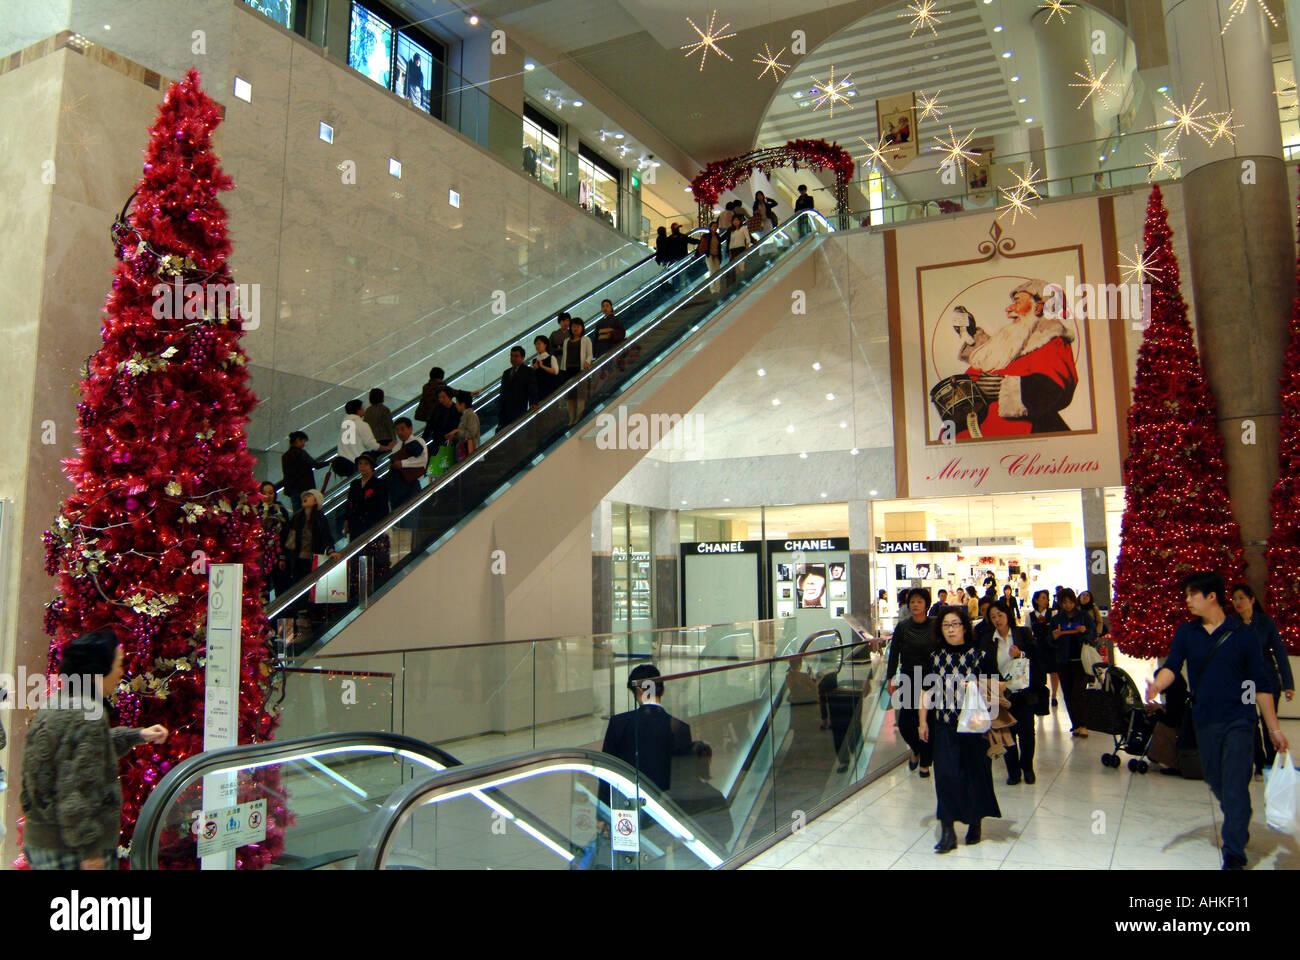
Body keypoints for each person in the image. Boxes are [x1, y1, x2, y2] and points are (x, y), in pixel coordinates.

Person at [1145, 572, 1288, 870]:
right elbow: (1173, 665)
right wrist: (1158, 684)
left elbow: (1260, 684)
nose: (1187, 601)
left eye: (1191, 595)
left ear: (1211, 596)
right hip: (1205, 719)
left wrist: (1273, 728)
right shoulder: (1187, 632)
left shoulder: (1243, 633)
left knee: (1235, 784)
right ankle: (1239, 815)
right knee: (1214, 778)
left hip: (1239, 718)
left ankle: (1234, 851)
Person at [20, 629, 169, 870]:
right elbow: (78, 788)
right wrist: (90, 853)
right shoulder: (87, 714)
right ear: (96, 673)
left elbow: (82, 750)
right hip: (71, 851)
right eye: (118, 664)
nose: (121, 672)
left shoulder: (60, 703)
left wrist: (138, 735)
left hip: (43, 842)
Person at [919, 606, 1001, 853]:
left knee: (974, 775)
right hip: (944, 725)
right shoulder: (934, 656)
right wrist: (923, 721)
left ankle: (975, 822)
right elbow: (925, 691)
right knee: (945, 777)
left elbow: (997, 687)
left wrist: (975, 686)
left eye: (955, 624)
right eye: (946, 625)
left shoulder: (981, 654)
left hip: (974, 728)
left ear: (965, 626)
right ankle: (947, 830)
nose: (951, 629)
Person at [598, 663, 692, 814]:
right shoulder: (680, 728)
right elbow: (684, 780)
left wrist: (602, 815)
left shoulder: (618, 724)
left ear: (639, 690)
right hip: (665, 813)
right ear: (663, 691)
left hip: (626, 809)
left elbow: (607, 773)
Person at [1229, 583, 1295, 774]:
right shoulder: (1233, 625)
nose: (1237, 602)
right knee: (1249, 722)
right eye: (1234, 599)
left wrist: (1288, 683)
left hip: (1267, 680)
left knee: (1269, 722)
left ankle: (1271, 763)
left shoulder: (1266, 622)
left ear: (1251, 599)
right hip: (1245, 682)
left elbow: (1280, 653)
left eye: (1241, 598)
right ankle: (1257, 761)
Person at [987, 600, 1040, 785]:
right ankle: (1013, 771)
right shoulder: (989, 641)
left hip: (1023, 691)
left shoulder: (1022, 634)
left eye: (1000, 615)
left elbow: (1037, 655)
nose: (997, 620)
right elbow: (986, 667)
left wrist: (1021, 654)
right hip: (1002, 695)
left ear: (1007, 615)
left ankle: (1027, 767)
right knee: (1006, 733)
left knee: (1026, 732)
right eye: (993, 617)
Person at [887, 588, 937, 779]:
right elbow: (894, 654)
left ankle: (925, 762)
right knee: (905, 722)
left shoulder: (934, 625)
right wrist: (891, 677)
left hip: (930, 678)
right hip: (908, 676)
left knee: (928, 721)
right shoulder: (903, 627)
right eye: (912, 601)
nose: (915, 605)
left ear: (926, 604)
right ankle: (916, 750)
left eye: (919, 601)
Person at [344, 453, 391, 595]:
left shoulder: (379, 484)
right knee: (356, 557)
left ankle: (374, 586)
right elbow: (349, 505)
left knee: (372, 557)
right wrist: (347, 522)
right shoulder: (355, 484)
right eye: (360, 464)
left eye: (365, 464)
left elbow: (382, 507)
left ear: (372, 467)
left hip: (372, 526)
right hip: (356, 526)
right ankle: (357, 590)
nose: (362, 467)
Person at [281, 488, 340, 598]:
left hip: (313, 560)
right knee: (298, 587)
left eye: (309, 496)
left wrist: (331, 550)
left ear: (315, 501)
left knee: (312, 589)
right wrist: (284, 557)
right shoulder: (297, 518)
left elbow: (326, 537)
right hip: (298, 560)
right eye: (305, 496)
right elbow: (290, 540)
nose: (305, 498)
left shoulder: (319, 518)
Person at [1051, 588, 1094, 737]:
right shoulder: (1057, 619)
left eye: (1070, 602)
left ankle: (1083, 724)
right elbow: (1049, 641)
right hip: (1063, 661)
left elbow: (1093, 633)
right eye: (1064, 603)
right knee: (1068, 694)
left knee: (1079, 693)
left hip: (1081, 661)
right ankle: (1075, 724)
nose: (1068, 605)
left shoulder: (1083, 616)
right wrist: (1054, 637)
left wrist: (1085, 631)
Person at [337, 399, 392, 480]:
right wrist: (387, 448)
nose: (364, 409)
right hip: (358, 463)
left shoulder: (345, 425)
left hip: (345, 463)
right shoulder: (361, 424)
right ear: (358, 410)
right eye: (362, 407)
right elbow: (371, 444)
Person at [257, 481, 290, 600]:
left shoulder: (280, 511)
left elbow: (285, 534)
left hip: (277, 553)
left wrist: (283, 556)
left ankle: (281, 614)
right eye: (264, 493)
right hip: (261, 555)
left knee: (280, 586)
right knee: (262, 587)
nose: (267, 496)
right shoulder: (255, 511)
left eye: (270, 493)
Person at [1026, 589, 1058, 707]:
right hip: (1037, 648)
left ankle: (1054, 695)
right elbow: (1028, 632)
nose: (1045, 600)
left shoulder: (1053, 613)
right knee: (1039, 673)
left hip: (1050, 646)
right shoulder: (1030, 616)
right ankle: (1040, 697)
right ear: (1036, 600)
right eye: (1043, 597)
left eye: (1046, 598)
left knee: (1054, 672)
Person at [388, 417, 428, 507]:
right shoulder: (396, 447)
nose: (400, 433)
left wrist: (403, 463)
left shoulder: (419, 441)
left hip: (413, 484)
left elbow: (422, 461)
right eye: (397, 430)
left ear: (410, 428)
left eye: (402, 429)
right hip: (398, 485)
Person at [560, 317, 593, 423]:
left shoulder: (586, 339)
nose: (575, 328)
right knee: (570, 397)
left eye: (578, 326)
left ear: (582, 327)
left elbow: (590, 354)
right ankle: (571, 418)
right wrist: (562, 370)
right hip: (568, 370)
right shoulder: (566, 341)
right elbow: (564, 356)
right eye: (573, 326)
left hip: (580, 370)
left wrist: (587, 362)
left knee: (580, 396)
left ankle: (578, 417)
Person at [497, 345, 538, 429]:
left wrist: (533, 402)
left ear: (522, 358)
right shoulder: (506, 373)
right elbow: (503, 392)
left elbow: (532, 388)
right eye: (511, 355)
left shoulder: (528, 371)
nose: (513, 358)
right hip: (505, 412)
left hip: (519, 410)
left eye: (516, 356)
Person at [280, 431, 320, 507]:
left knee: (298, 514)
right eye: (303, 442)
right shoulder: (301, 453)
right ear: (298, 440)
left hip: (292, 490)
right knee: (308, 512)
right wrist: (329, 462)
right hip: (305, 489)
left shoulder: (285, 456)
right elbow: (315, 465)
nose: (303, 445)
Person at [413, 367, 448, 441]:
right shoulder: (442, 387)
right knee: (440, 438)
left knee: (427, 435)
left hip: (429, 416)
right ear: (441, 376)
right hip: (440, 418)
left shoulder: (426, 387)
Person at [446, 390, 480, 460]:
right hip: (466, 453)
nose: (456, 405)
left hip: (470, 454)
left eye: (457, 403)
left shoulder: (470, 415)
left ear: (463, 404)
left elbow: (471, 434)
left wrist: (456, 432)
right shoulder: (466, 415)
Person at [530, 334, 560, 400]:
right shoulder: (534, 361)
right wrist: (533, 369)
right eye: (535, 344)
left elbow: (555, 371)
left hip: (549, 388)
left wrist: (542, 366)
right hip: (538, 390)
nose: (537, 346)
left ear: (545, 345)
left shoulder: (551, 357)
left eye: (539, 344)